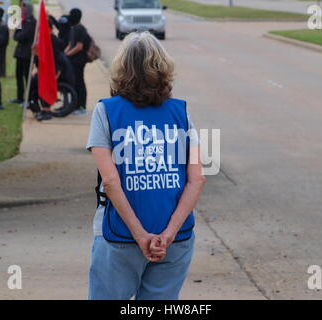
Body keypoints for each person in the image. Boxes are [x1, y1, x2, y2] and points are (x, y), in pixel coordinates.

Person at [86, 31, 206, 300]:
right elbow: (197, 179)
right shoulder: (181, 112)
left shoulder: (106, 111)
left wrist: (140, 236)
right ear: (163, 68)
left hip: (119, 234)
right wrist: (168, 235)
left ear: (121, 68)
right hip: (175, 236)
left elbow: (111, 181)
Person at [10, 1, 36, 105]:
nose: (22, 9)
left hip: (27, 55)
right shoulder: (23, 21)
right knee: (18, 76)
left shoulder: (32, 22)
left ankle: (29, 99)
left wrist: (19, 34)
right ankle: (19, 97)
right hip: (19, 54)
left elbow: (22, 36)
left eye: (24, 7)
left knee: (27, 78)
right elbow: (15, 37)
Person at [65, 8, 89, 115]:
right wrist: (64, 54)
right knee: (74, 83)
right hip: (72, 61)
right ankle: (75, 105)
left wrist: (67, 54)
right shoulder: (73, 28)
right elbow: (71, 44)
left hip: (79, 61)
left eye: (71, 15)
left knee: (79, 83)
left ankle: (82, 106)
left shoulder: (81, 29)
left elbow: (79, 47)